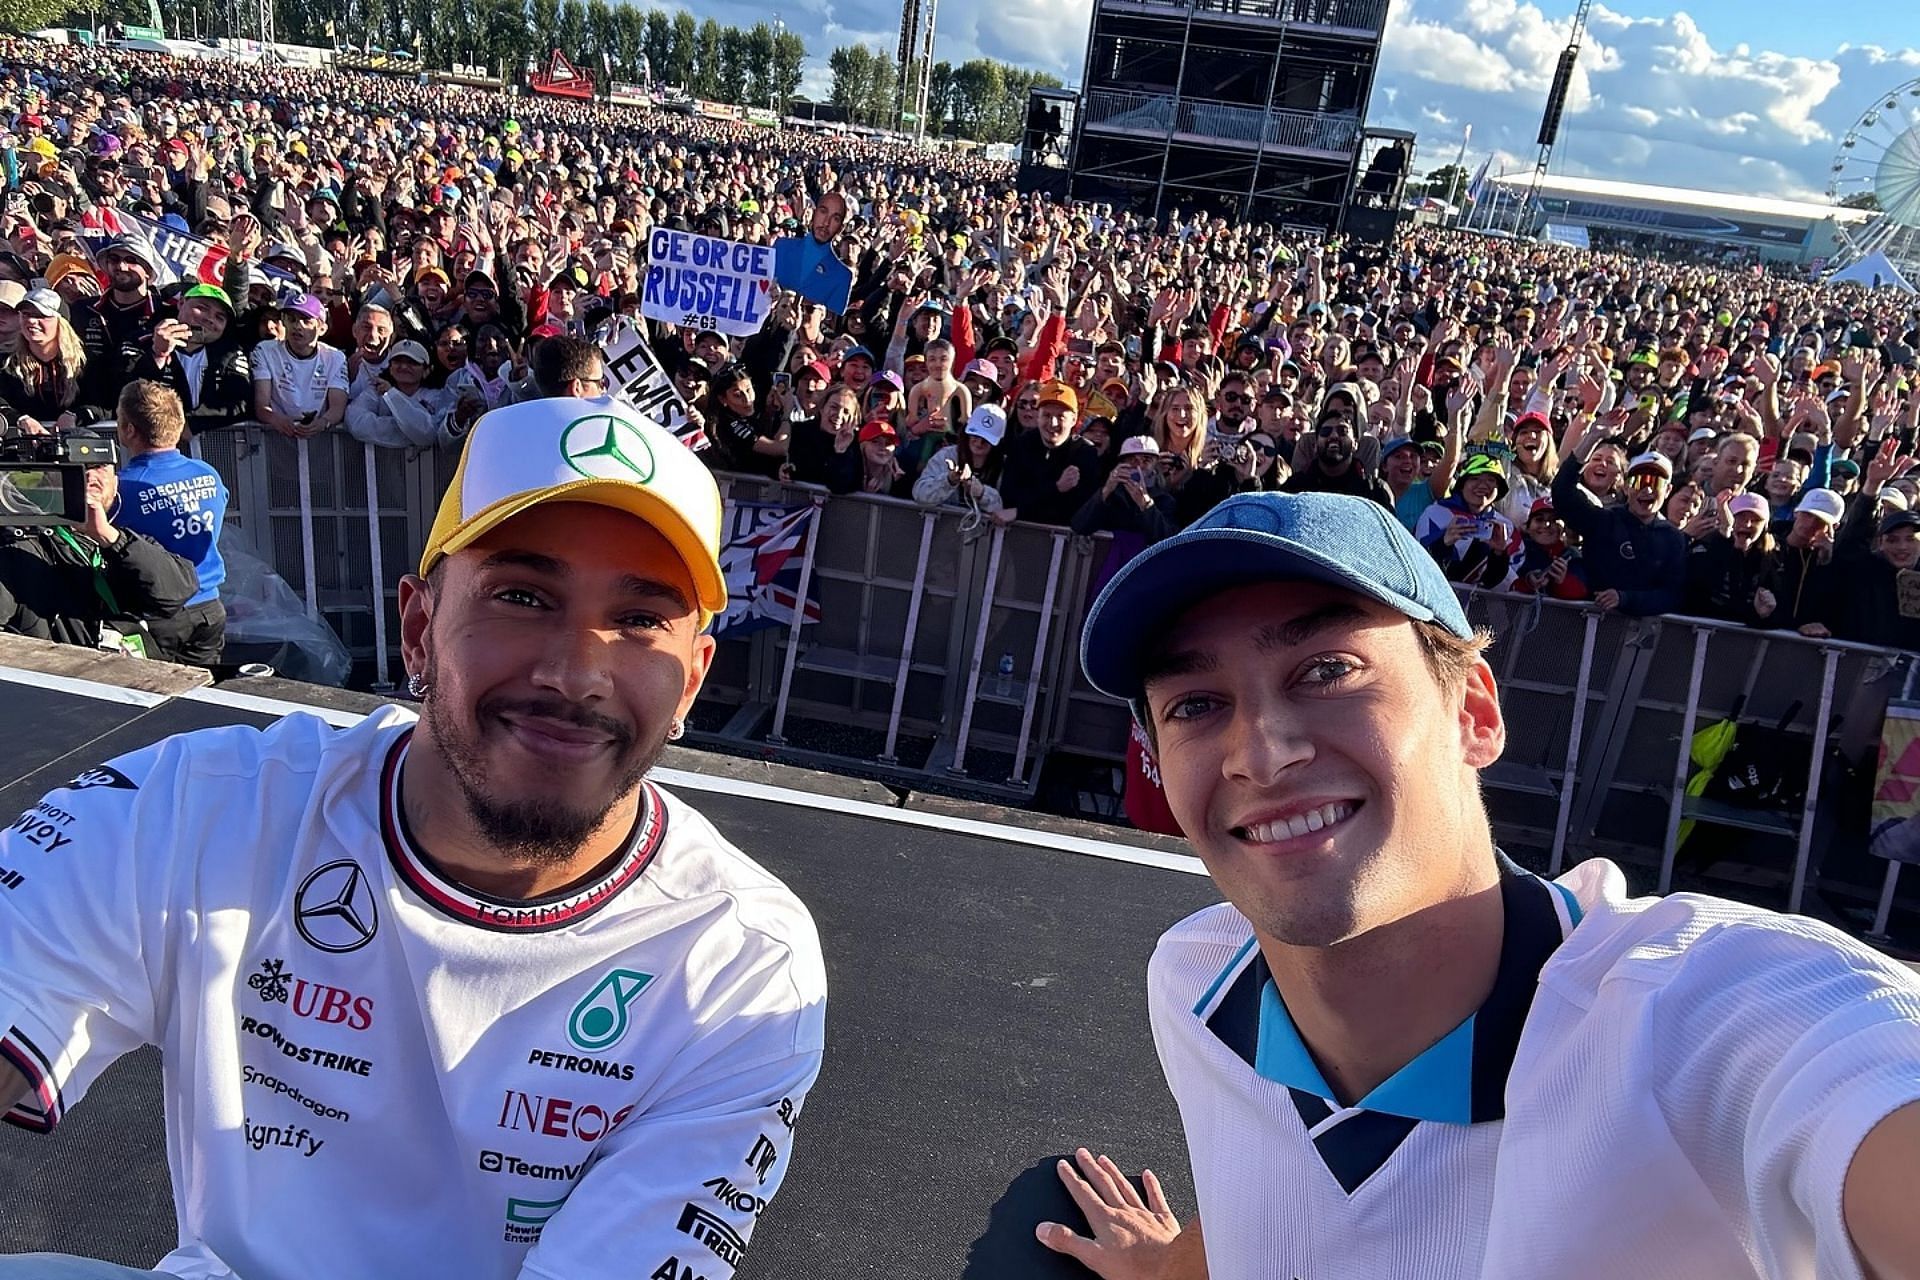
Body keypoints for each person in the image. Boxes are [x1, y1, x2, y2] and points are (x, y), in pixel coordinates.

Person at [0, 396, 826, 1277]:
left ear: (692, 678)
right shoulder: (194, 807)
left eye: (640, 620)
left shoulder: (740, 963)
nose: (577, 673)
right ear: (420, 628)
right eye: (523, 596)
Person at [1047, 489, 1920, 1280]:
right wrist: (1170, 1269)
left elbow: (1856, 1079)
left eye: (1327, 670)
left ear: (1474, 713)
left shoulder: (1700, 1017)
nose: (1263, 752)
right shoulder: (1195, 984)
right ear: (1159, 765)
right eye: (1196, 704)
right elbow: (1286, 1192)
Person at [0, 427, 199, 655]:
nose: (89, 476)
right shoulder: (18, 551)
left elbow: (178, 590)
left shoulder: (122, 541)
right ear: (49, 479)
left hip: (134, 678)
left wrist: (108, 537)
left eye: (98, 467)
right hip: (66, 680)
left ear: (116, 483)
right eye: (77, 468)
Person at [109, 380, 228, 666]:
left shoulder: (123, 488)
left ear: (128, 430)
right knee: (206, 695)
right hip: (209, 606)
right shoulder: (207, 473)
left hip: (156, 614)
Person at [1552, 447, 1687, 615]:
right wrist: (1592, 438)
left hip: (1640, 635)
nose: (1648, 490)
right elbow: (1562, 491)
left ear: (1668, 490)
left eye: (1655, 483)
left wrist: (1625, 598)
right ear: (1625, 487)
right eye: (1639, 481)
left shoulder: (1673, 538)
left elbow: (1672, 596)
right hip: (1589, 623)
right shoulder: (1603, 521)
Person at [251, 293, 349, 439]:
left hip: (320, 439)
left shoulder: (335, 357)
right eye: (292, 319)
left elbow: (337, 407)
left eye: (306, 320)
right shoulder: (264, 350)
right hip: (276, 436)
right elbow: (261, 405)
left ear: (321, 328)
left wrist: (323, 422)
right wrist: (275, 419)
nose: (297, 326)